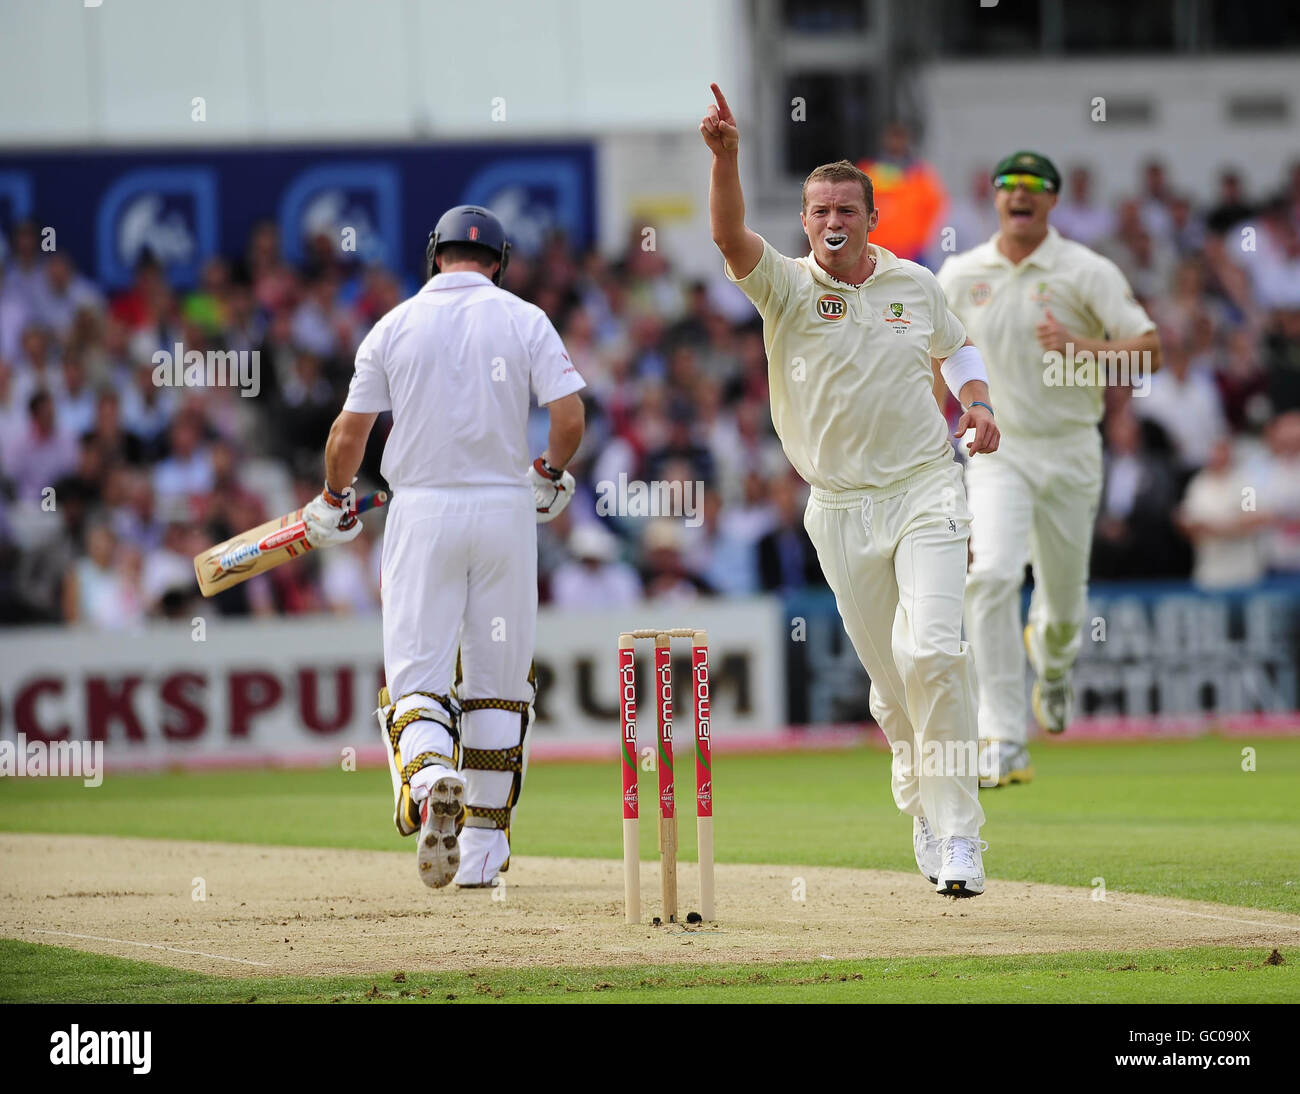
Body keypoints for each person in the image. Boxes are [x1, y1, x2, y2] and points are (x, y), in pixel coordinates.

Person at [701, 84, 1000, 897]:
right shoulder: (788, 289)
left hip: (925, 489)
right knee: (899, 691)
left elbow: (959, 347)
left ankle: (960, 836)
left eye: (846, 210)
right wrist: (727, 159)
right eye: (819, 211)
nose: (833, 222)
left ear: (870, 218)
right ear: (805, 222)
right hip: (838, 508)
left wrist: (975, 402)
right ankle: (921, 796)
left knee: (936, 653)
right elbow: (729, 238)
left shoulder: (913, 285)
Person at [303, 205, 585, 890]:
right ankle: (484, 852)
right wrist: (547, 473)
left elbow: (348, 437)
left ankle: (430, 778)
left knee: (417, 671)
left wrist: (334, 499)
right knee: (499, 681)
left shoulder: (393, 325)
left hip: (422, 510)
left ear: (436, 254)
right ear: (501, 261)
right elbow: (570, 416)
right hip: (505, 510)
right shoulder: (524, 319)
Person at [937, 151, 1161, 785]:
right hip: (996, 449)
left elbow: (1148, 355)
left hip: (1069, 449)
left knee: (1063, 607)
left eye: (1034, 187)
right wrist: (931, 433)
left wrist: (1081, 348)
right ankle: (1003, 738)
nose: (1020, 195)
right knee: (992, 576)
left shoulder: (1084, 270)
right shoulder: (961, 273)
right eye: (1008, 185)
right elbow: (937, 355)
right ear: (996, 197)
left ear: (1053, 201)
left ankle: (1054, 666)